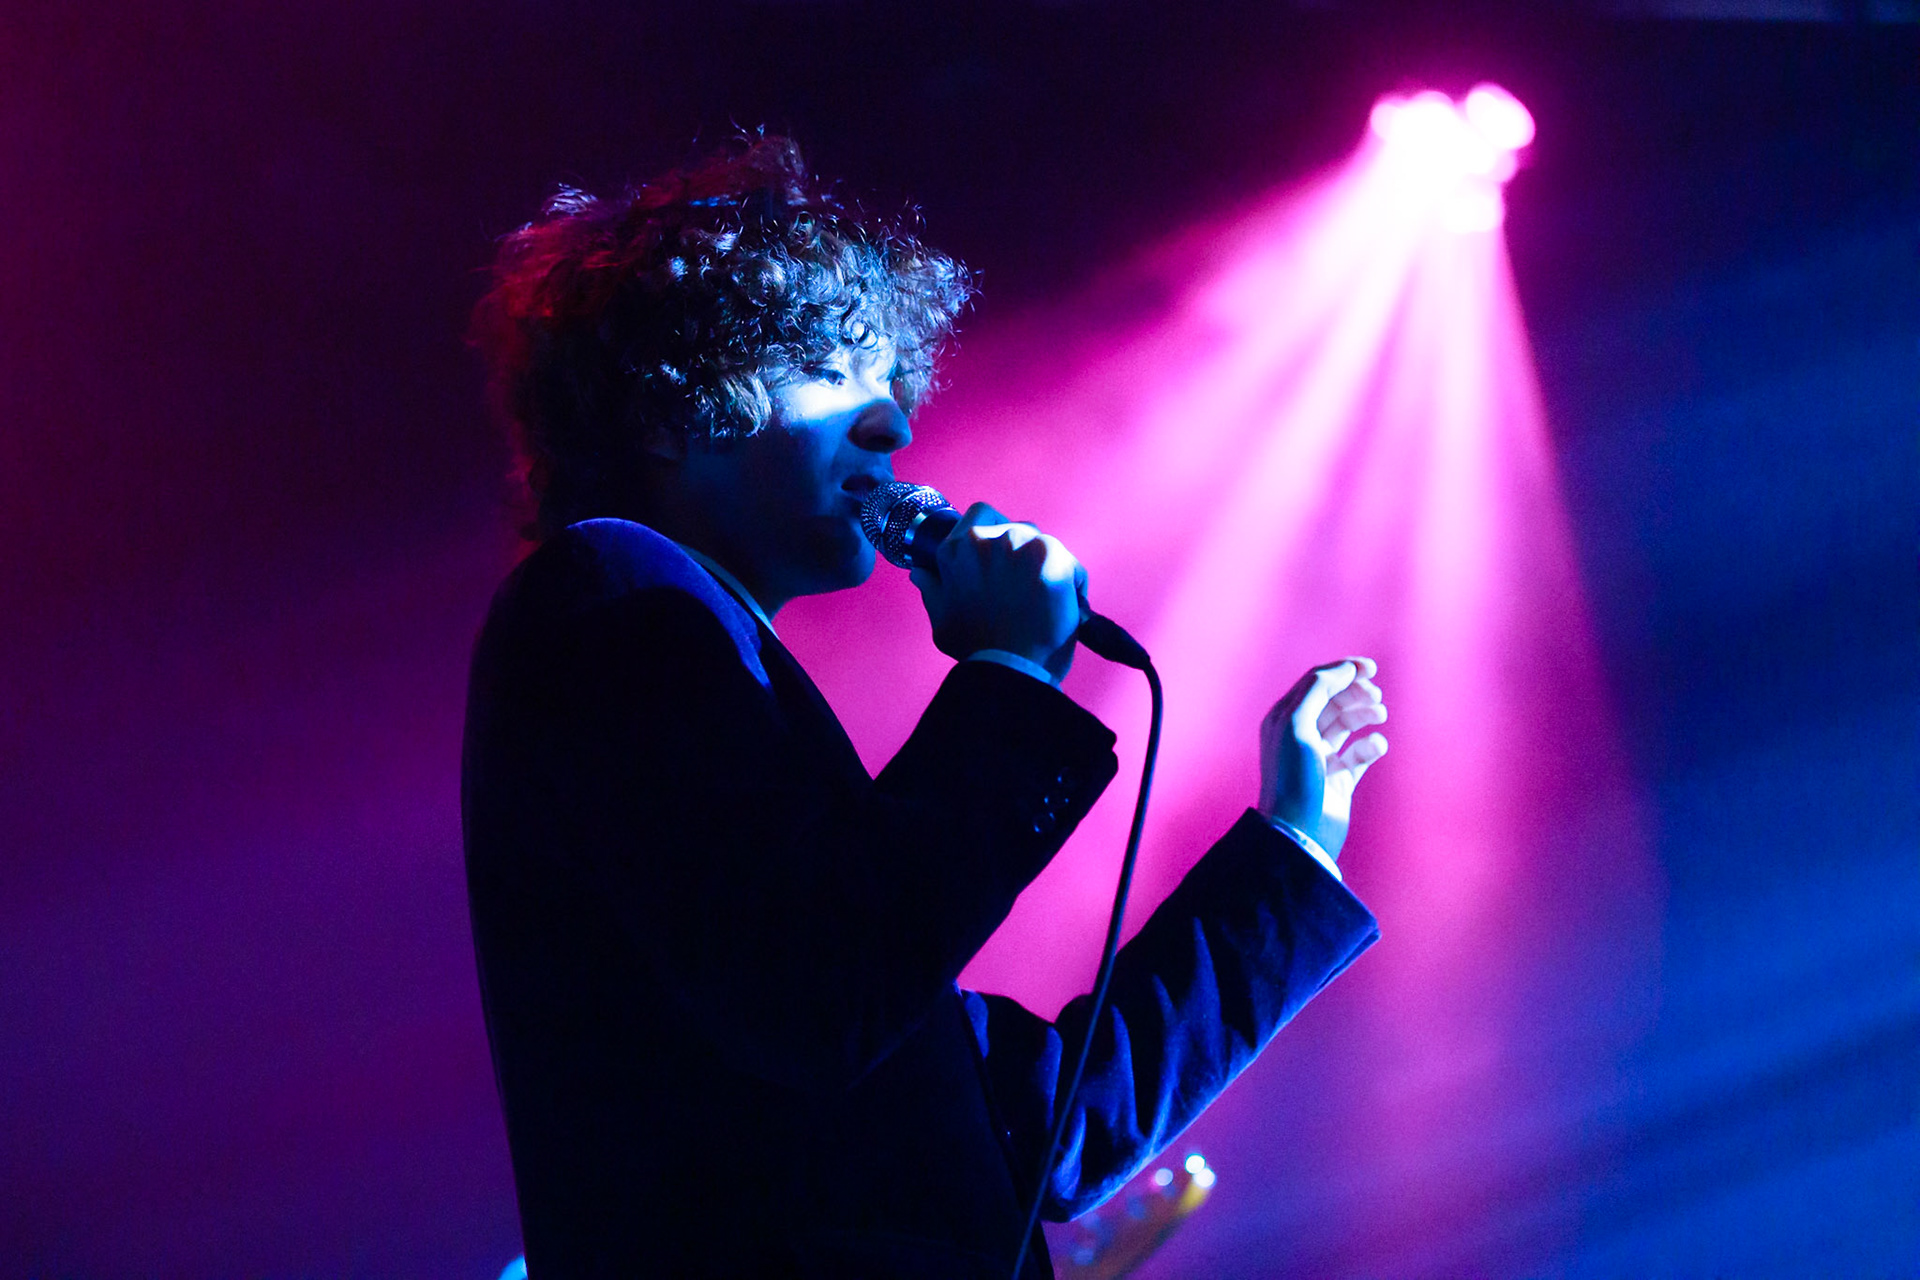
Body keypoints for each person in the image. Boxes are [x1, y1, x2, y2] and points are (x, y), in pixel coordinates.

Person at [462, 136, 1388, 1278]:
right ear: (673, 403)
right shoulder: (608, 591)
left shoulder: (729, 686)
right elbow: (814, 988)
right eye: (838, 372)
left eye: (895, 383)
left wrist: (1294, 841)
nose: (895, 428)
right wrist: (1004, 679)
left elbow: (1043, 1122)